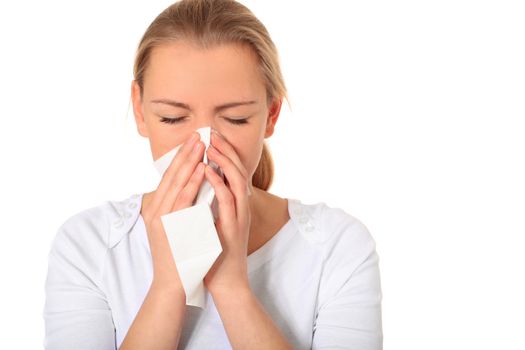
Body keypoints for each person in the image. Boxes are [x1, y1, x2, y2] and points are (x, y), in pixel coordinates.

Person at [42, 0, 383, 349]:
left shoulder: (336, 247)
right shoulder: (89, 245)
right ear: (140, 111)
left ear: (271, 114)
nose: (204, 146)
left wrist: (232, 287)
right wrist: (169, 284)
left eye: (235, 119)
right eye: (172, 118)